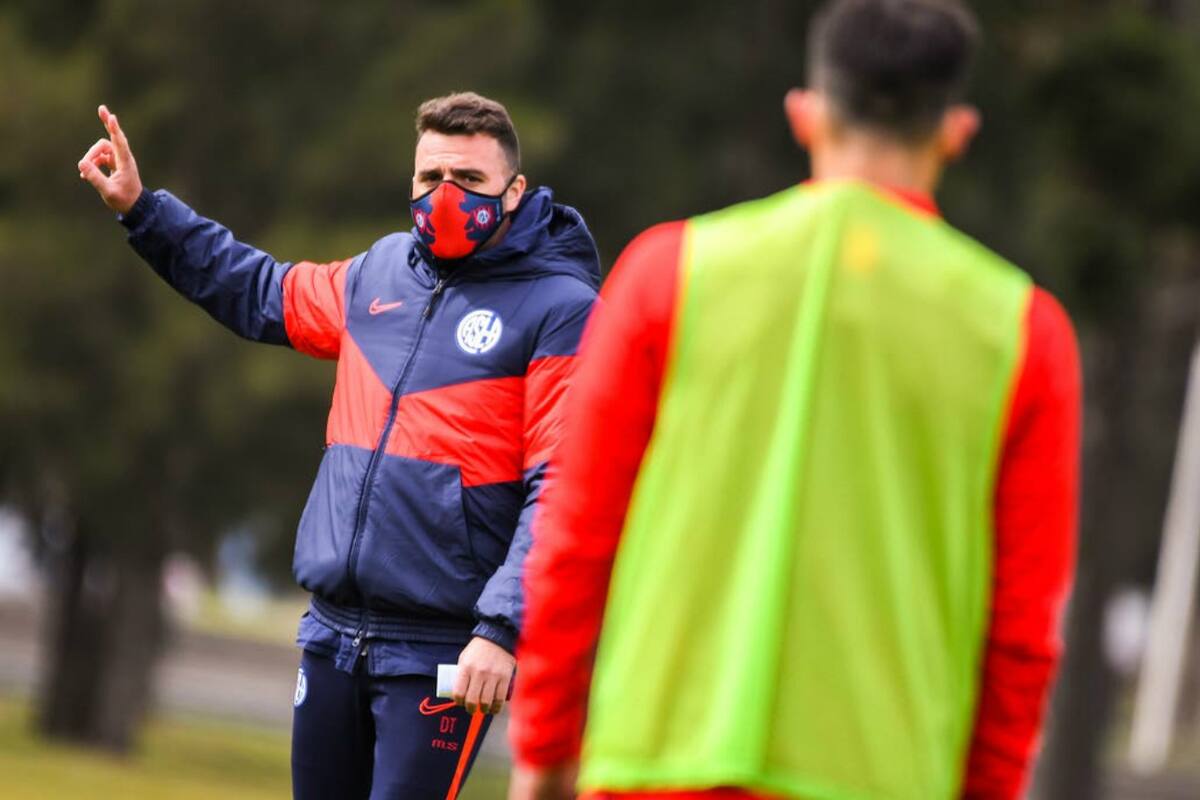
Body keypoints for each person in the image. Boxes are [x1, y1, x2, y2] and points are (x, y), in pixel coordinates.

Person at [507, 2, 1080, 799]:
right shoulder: (1024, 332)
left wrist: (541, 757)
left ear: (805, 115)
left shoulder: (670, 274)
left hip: (656, 765)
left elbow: (574, 543)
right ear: (955, 132)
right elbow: (1021, 633)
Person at [77, 91, 600, 799]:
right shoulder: (379, 273)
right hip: (330, 635)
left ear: (514, 193)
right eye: (429, 179)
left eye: (470, 182)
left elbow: (563, 485)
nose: (446, 196)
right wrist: (143, 209)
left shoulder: (561, 308)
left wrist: (502, 630)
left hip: (441, 654)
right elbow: (260, 290)